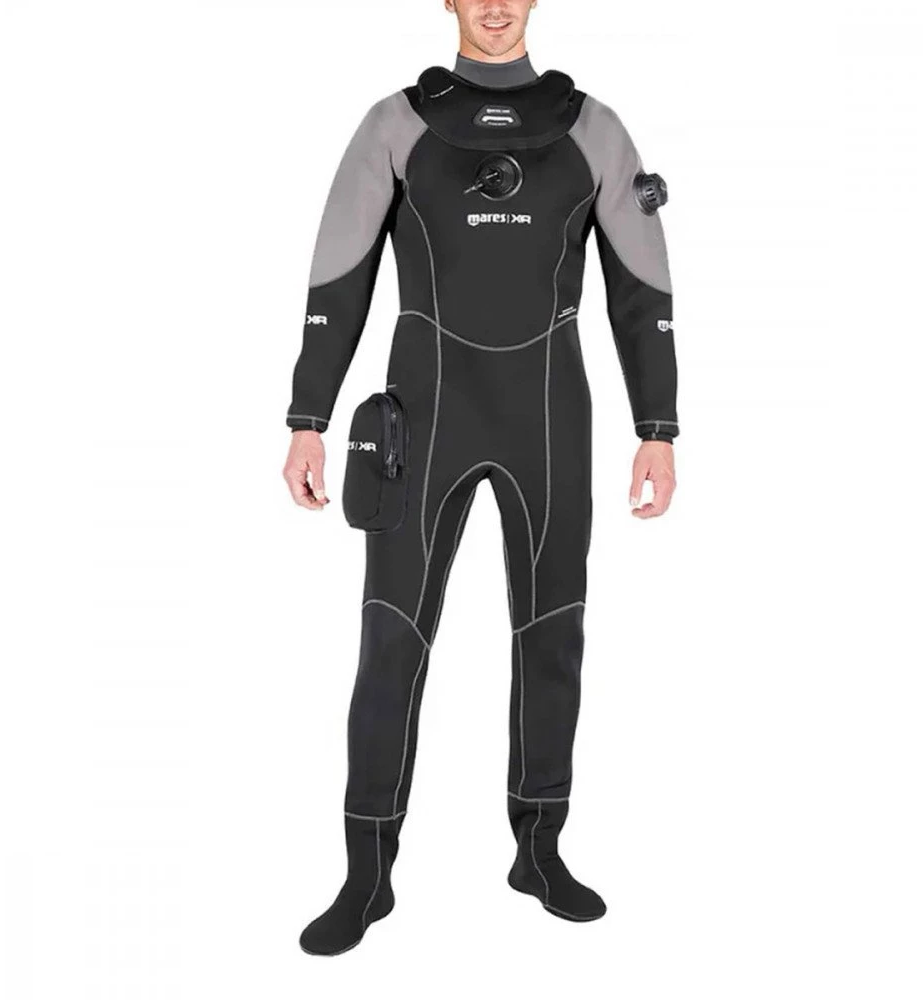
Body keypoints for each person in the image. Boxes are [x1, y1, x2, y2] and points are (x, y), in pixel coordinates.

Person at [283, 0, 678, 956]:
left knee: (552, 635)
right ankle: (367, 872)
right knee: (391, 637)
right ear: (449, 1)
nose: (496, 5)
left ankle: (540, 850)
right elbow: (338, 276)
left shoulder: (593, 129)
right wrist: (307, 418)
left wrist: (658, 429)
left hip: (550, 415)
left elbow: (643, 288)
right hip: (424, 413)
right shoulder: (395, 125)